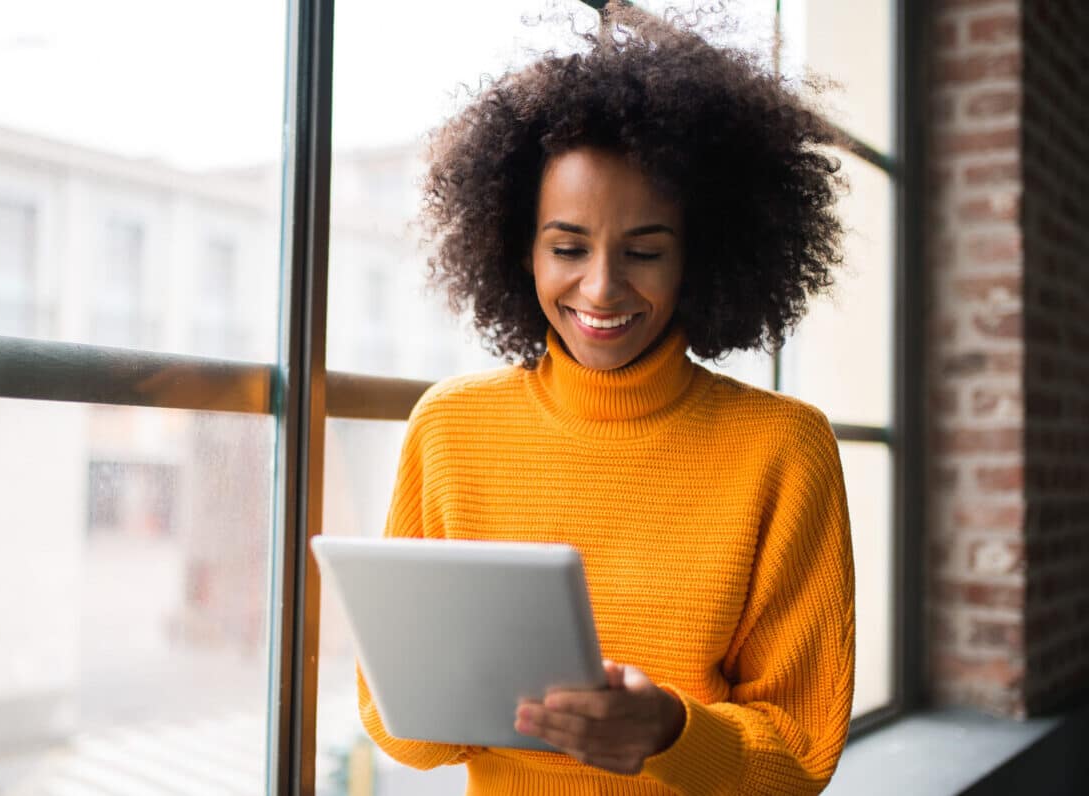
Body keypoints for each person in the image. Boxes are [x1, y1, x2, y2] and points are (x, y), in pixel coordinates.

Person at [357, 4, 856, 794]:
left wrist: (671, 733)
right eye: (567, 247)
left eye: (645, 251)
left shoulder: (784, 448)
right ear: (518, 247)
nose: (599, 287)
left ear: (702, 254)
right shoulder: (450, 427)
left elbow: (798, 761)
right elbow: (402, 734)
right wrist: (438, 701)